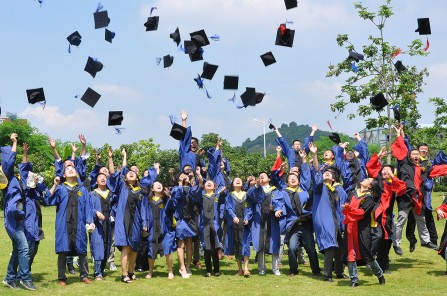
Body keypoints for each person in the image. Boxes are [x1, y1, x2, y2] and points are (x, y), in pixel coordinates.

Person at [391, 126, 447, 255]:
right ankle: (396, 243)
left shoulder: (424, 167)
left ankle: (425, 240)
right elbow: (402, 149)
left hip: (418, 199)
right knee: (401, 221)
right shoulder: (404, 164)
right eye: (413, 154)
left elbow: (437, 170)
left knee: (421, 220)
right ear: (410, 156)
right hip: (406, 198)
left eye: (417, 154)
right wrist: (399, 135)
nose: (416, 156)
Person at [272, 145, 321, 277]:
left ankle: (316, 270)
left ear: (298, 181)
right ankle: (293, 270)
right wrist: (277, 209)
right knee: (292, 247)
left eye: (295, 177)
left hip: (305, 223)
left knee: (310, 248)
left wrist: (304, 160)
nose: (293, 178)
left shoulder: (303, 189)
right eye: (290, 177)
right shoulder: (284, 192)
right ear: (287, 181)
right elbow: (278, 202)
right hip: (292, 225)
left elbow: (306, 175)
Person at [44, 162, 94, 286]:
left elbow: (88, 207)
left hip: (79, 223)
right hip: (63, 224)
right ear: (64, 175)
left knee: (82, 250)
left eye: (72, 168)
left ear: (76, 173)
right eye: (67, 169)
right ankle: (62, 277)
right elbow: (48, 200)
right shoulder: (60, 188)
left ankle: (84, 275)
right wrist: (55, 185)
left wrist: (90, 221)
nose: (70, 170)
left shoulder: (82, 190)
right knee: (62, 250)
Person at [106, 148, 152, 283]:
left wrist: (144, 223)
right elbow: (114, 173)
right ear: (125, 178)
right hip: (123, 221)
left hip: (136, 222)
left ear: (138, 178)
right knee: (126, 247)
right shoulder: (122, 187)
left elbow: (143, 209)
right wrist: (111, 158)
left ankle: (131, 272)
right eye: (129, 173)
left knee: (134, 248)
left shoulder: (140, 192)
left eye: (134, 173)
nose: (131, 174)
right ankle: (124, 274)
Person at [1, 133, 36, 290]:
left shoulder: (13, 177)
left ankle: (9, 278)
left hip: (18, 217)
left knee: (17, 249)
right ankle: (25, 278)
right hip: (12, 218)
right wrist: (14, 142)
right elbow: (9, 162)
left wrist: (25, 153)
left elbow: (24, 171)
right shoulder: (3, 174)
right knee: (24, 247)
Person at [366, 146, 407, 272]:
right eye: (383, 170)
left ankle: (383, 265)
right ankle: (369, 258)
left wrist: (393, 177)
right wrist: (378, 157)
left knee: (387, 241)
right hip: (375, 214)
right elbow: (370, 167)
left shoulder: (394, 183)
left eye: (388, 170)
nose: (384, 172)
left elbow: (402, 189)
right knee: (377, 237)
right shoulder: (377, 180)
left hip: (387, 217)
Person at [342, 177, 385, 287]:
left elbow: (361, 213)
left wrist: (349, 208)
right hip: (350, 227)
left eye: (368, 179)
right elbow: (345, 208)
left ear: (370, 186)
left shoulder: (369, 199)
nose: (364, 179)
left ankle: (379, 274)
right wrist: (346, 208)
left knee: (367, 255)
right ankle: (354, 280)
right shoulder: (352, 193)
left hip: (362, 230)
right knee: (350, 254)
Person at [310, 163, 348, 282]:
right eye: (325, 172)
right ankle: (327, 274)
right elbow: (316, 178)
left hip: (334, 221)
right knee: (330, 246)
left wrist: (342, 225)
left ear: (334, 179)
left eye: (330, 173)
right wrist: (315, 155)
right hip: (324, 220)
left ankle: (339, 271)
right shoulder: (320, 188)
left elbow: (339, 210)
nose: (327, 173)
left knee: (339, 247)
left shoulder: (335, 191)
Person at [18, 143, 47, 277]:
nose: (34, 178)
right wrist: (25, 153)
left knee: (34, 249)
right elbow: (24, 170)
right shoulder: (27, 192)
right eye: (32, 178)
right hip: (28, 224)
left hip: (37, 224)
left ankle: (26, 271)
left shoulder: (36, 192)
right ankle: (22, 274)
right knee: (28, 249)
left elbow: (48, 194)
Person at [193, 168, 226, 277]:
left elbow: (226, 196)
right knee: (207, 248)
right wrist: (198, 176)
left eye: (211, 183)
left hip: (215, 224)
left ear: (215, 186)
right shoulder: (201, 196)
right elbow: (195, 193)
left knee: (215, 247)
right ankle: (208, 270)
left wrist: (223, 191)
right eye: (207, 183)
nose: (208, 184)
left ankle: (216, 270)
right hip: (204, 225)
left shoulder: (217, 195)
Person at [144, 180, 177, 279]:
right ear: (152, 189)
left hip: (165, 228)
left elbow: (174, 207)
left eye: (160, 184)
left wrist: (170, 197)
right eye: (156, 184)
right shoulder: (148, 201)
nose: (159, 185)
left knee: (167, 248)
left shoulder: (166, 199)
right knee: (151, 249)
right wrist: (145, 224)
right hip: (153, 229)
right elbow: (144, 213)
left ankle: (170, 271)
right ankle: (150, 271)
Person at [225, 177, 252, 276]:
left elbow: (250, 208)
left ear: (242, 184)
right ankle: (240, 269)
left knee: (245, 245)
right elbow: (228, 207)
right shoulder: (230, 195)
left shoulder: (247, 195)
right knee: (237, 244)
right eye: (235, 179)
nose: (237, 180)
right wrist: (233, 216)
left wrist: (248, 217)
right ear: (232, 184)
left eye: (239, 180)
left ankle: (246, 268)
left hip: (245, 222)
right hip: (235, 222)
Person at [90, 173, 114, 280]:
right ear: (96, 181)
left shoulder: (111, 194)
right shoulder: (92, 194)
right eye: (100, 178)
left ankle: (102, 270)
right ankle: (97, 273)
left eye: (105, 178)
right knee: (98, 246)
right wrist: (96, 212)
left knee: (107, 246)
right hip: (97, 225)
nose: (103, 179)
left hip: (108, 223)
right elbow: (88, 208)